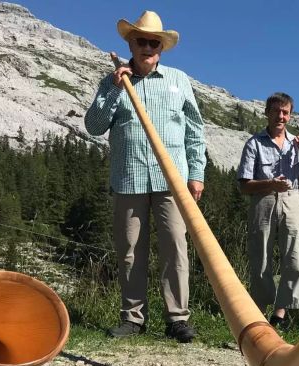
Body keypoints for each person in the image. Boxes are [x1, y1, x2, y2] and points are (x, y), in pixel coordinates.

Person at [84, 11, 205, 343]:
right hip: (129, 178)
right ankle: (132, 318)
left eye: (154, 42)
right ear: (131, 43)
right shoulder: (112, 82)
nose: (148, 47)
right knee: (130, 251)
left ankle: (177, 319)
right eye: (142, 41)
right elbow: (93, 126)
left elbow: (195, 131)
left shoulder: (179, 80)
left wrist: (197, 174)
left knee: (175, 249)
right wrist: (111, 88)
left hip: (172, 180)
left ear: (161, 48)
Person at [236, 93, 299, 328]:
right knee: (261, 257)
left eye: (285, 112)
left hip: (294, 201)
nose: (281, 116)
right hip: (263, 201)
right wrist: (271, 184)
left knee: (295, 256)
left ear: (290, 115)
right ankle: (258, 314)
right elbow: (243, 185)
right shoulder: (254, 143)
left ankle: (281, 314)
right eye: (276, 111)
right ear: (267, 113)